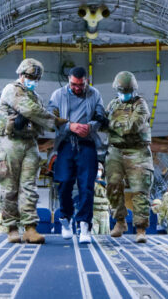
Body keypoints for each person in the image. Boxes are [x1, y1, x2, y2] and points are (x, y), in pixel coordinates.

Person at [0, 58, 66, 244]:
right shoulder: (11, 90)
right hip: (9, 143)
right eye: (30, 77)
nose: (33, 81)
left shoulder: (36, 98)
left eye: (36, 78)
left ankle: (30, 228)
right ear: (21, 75)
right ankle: (11, 228)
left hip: (29, 143)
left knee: (29, 187)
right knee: (9, 187)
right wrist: (54, 121)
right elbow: (30, 110)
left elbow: (37, 120)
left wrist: (45, 122)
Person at [48, 66, 107, 244]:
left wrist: (90, 126)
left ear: (86, 81)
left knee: (86, 186)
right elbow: (50, 118)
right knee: (64, 181)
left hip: (87, 144)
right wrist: (70, 126)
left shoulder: (95, 94)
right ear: (69, 80)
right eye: (74, 84)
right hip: (66, 143)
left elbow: (100, 115)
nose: (77, 88)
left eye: (80, 85)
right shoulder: (57, 95)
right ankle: (65, 218)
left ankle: (84, 225)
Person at [104, 71, 153, 243]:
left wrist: (108, 123)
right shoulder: (112, 104)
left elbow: (131, 127)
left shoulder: (141, 105)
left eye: (127, 91)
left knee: (140, 190)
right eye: (121, 91)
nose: (124, 94)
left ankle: (140, 229)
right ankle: (120, 222)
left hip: (137, 151)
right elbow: (102, 125)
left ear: (134, 90)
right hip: (116, 151)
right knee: (113, 186)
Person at [92, 165, 110, 235]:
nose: (98, 171)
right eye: (97, 169)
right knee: (93, 234)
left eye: (100, 169)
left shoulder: (105, 184)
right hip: (94, 212)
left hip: (104, 213)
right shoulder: (89, 183)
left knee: (105, 234)